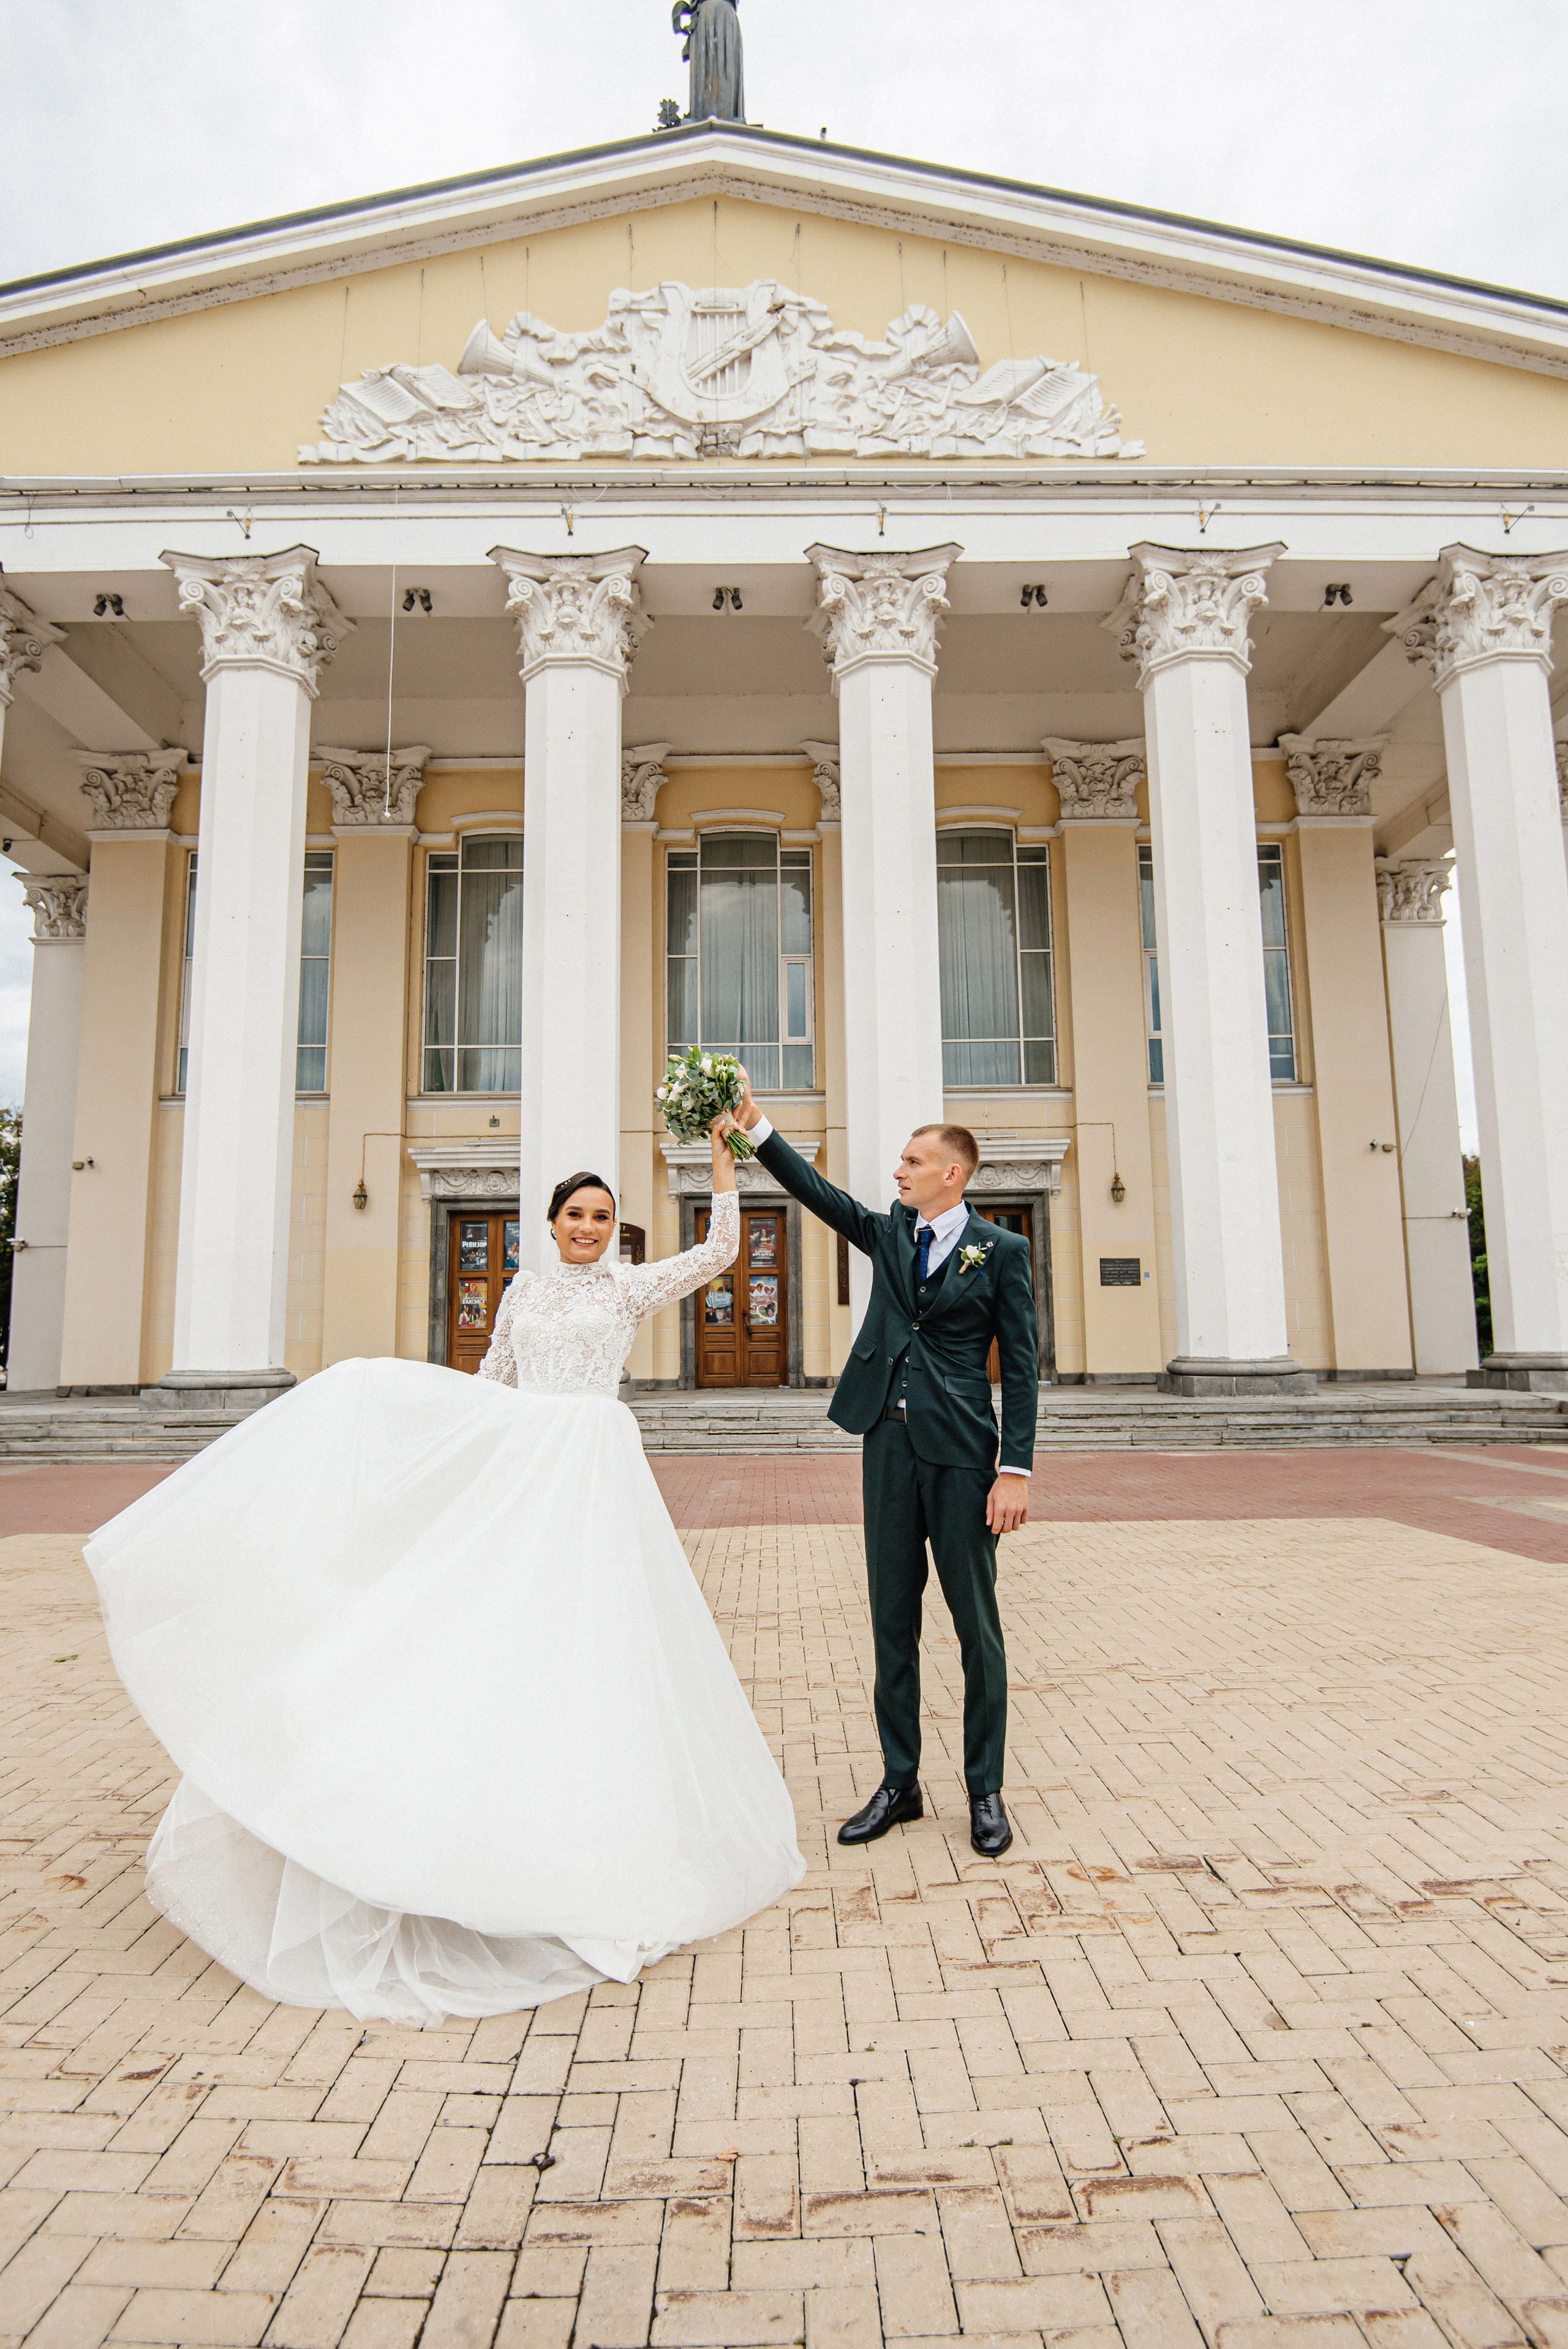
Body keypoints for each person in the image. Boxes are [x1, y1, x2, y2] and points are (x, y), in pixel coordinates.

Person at [85, 1117, 802, 2026]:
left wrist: (723, 1160)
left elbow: (722, 1247)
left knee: (590, 1643)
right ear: (550, 1223)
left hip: (592, 1480)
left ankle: (586, 1830)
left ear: (615, 1230)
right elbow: (492, 1385)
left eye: (602, 1215)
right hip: (525, 1477)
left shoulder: (627, 1289)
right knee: (483, 1633)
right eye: (575, 1214)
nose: (588, 1226)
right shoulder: (518, 1293)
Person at [726, 1077, 1038, 1857]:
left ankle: (985, 1789)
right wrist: (759, 1128)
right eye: (900, 1160)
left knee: (977, 1630)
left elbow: (1024, 1369)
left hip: (965, 1457)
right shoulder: (891, 1231)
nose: (898, 1171)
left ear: (951, 1174)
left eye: (911, 1160)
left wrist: (1016, 1470)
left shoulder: (1002, 1251)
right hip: (887, 1447)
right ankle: (900, 1783)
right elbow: (819, 1194)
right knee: (890, 1624)